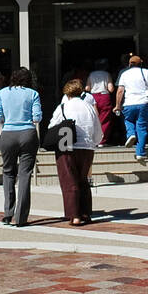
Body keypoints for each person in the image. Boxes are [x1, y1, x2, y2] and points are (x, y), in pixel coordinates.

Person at [47, 79, 103, 225]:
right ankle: (85, 213)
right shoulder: (89, 107)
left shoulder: (63, 106)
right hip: (87, 148)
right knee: (83, 180)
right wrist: (94, 143)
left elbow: (52, 125)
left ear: (67, 92)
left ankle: (74, 215)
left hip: (66, 146)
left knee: (69, 181)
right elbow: (98, 131)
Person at [0, 67, 42, 226]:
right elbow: (37, 117)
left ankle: (8, 213)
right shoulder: (32, 94)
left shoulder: (1, 93)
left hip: (8, 134)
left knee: (8, 172)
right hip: (28, 133)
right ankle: (21, 217)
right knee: (25, 174)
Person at [115, 53, 148, 163]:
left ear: (129, 64)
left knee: (128, 120)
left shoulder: (124, 74)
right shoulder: (147, 72)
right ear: (141, 63)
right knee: (142, 128)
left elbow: (120, 91)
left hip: (128, 104)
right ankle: (140, 153)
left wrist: (117, 105)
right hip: (144, 104)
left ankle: (131, 134)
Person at [85, 58, 115, 146]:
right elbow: (111, 89)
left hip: (93, 97)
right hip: (104, 97)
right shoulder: (107, 74)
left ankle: (92, 140)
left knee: (93, 118)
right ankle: (101, 141)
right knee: (104, 119)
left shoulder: (91, 74)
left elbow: (87, 88)